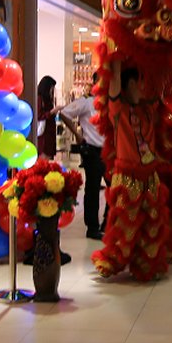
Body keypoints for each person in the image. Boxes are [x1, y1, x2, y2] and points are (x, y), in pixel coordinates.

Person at [92, 62, 172, 281]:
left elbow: (162, 87)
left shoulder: (148, 109)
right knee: (124, 223)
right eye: (138, 82)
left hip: (150, 175)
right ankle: (114, 260)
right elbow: (114, 84)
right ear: (128, 85)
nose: (142, 86)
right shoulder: (118, 110)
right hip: (127, 176)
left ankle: (146, 263)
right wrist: (116, 60)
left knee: (153, 222)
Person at [59, 79, 107, 240]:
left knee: (114, 186)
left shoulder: (110, 102)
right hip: (92, 150)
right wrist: (77, 134)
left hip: (108, 151)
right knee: (93, 189)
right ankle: (92, 227)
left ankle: (107, 223)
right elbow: (64, 113)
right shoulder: (86, 102)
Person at [35, 75, 58, 160]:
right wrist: (52, 112)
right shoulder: (40, 99)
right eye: (51, 88)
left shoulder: (48, 100)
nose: (52, 91)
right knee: (43, 161)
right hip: (43, 137)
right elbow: (39, 115)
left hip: (49, 136)